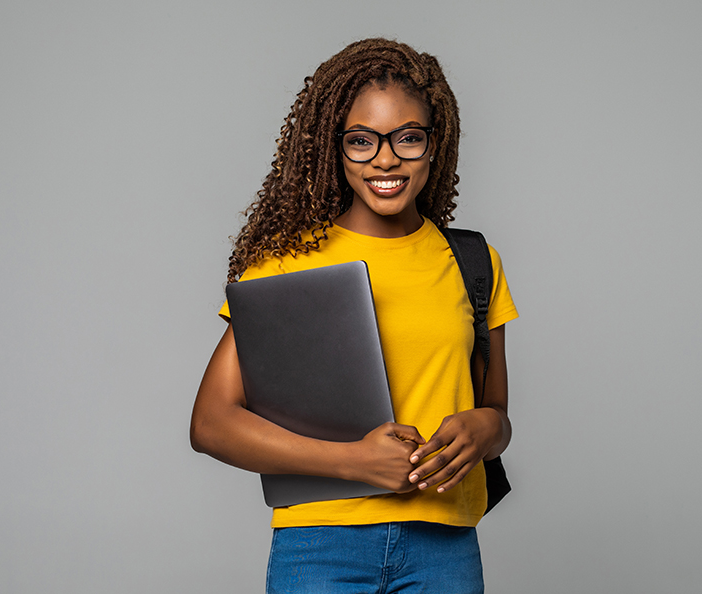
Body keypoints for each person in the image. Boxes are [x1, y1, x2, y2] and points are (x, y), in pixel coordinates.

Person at [191, 38, 518, 593]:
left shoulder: (472, 261)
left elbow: (497, 416)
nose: (385, 159)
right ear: (333, 150)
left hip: (445, 547)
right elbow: (211, 423)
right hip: (321, 545)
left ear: (434, 145)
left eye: (407, 138)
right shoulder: (285, 264)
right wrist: (355, 463)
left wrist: (487, 429)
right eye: (362, 141)